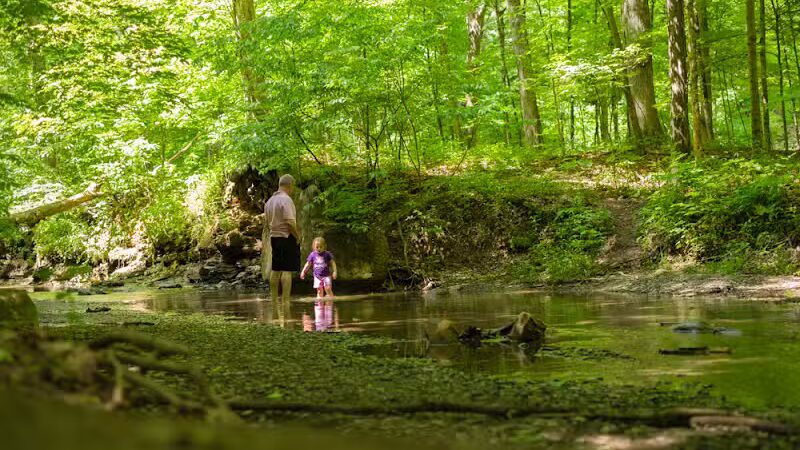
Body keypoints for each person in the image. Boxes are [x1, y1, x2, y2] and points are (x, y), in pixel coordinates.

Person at [264, 174, 301, 303]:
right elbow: (290, 222)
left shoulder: (269, 201)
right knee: (287, 270)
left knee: (276, 269)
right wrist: (298, 236)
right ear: (289, 185)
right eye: (293, 187)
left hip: (274, 237)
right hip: (286, 237)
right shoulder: (286, 200)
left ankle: (274, 300)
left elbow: (267, 222)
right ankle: (285, 301)